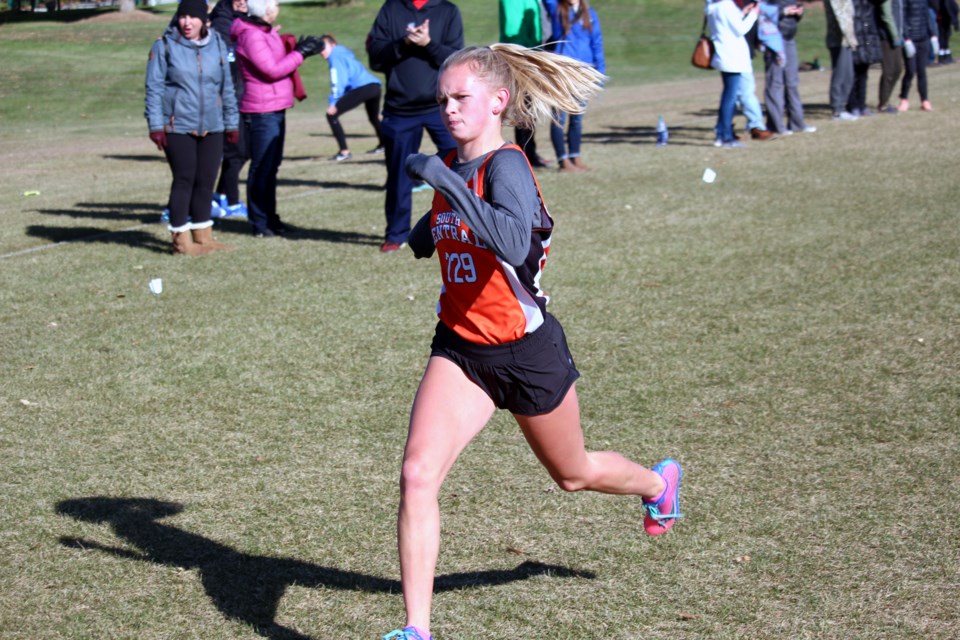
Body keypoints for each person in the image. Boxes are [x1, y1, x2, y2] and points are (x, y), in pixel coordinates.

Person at [381, 44, 683, 640]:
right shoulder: (454, 164)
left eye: (461, 97)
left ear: (497, 101)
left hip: (526, 352)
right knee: (418, 474)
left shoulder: (507, 166)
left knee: (572, 474)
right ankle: (416, 630)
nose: (448, 109)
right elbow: (441, 228)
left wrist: (445, 180)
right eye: (442, 99)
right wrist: (425, 225)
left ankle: (657, 483)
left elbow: (516, 245)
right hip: (461, 349)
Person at [366, 0, 464, 253]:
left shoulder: (447, 10)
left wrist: (428, 44)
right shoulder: (391, 9)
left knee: (462, 165)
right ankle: (396, 234)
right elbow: (376, 58)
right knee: (399, 175)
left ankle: (462, 226)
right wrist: (404, 43)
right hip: (399, 110)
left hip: (440, 107)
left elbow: (456, 59)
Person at [145, 0, 239, 256]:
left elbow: (226, 87)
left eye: (193, 17)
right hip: (178, 126)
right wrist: (156, 126)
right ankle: (180, 240)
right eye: (182, 16)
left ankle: (203, 235)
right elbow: (154, 89)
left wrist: (231, 122)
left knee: (206, 180)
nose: (187, 22)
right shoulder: (164, 46)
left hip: (213, 125)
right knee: (185, 179)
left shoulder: (217, 44)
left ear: (204, 20)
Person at [231, 0, 324, 237]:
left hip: (275, 106)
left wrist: (296, 48)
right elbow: (271, 69)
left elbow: (279, 60)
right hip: (261, 110)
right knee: (261, 167)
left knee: (271, 167)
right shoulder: (251, 35)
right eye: (274, 4)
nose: (277, 8)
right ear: (265, 9)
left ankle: (270, 218)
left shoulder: (266, 31)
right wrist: (300, 53)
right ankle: (260, 222)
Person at [542, 0, 605, 170]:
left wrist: (600, 71)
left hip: (584, 72)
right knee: (559, 119)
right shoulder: (557, 10)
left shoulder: (590, 14)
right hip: (562, 72)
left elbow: (596, 43)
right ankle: (563, 161)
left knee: (577, 118)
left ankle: (575, 156)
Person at [498, 0, 551, 168]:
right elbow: (512, 30)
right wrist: (528, 53)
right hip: (520, 58)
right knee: (523, 109)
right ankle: (524, 155)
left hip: (531, 56)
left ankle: (530, 152)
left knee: (529, 109)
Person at [210, 0, 251, 217]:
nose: (244, 4)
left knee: (242, 152)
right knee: (235, 153)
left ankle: (220, 196)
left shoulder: (243, 22)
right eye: (240, 0)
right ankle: (231, 202)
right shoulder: (221, 24)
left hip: (242, 98)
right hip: (227, 101)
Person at [319, 34, 386, 162]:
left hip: (363, 88)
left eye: (323, 47)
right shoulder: (343, 53)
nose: (321, 51)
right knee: (373, 117)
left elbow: (338, 81)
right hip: (374, 87)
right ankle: (384, 144)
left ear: (333, 45)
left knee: (331, 115)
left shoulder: (335, 56)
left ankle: (344, 152)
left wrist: (333, 102)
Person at [707, 0, 759, 147]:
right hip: (732, 56)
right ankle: (725, 136)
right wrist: (754, 15)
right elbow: (741, 29)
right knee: (730, 98)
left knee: (728, 96)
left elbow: (728, 23)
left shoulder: (714, 5)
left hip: (724, 55)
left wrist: (743, 13)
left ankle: (721, 133)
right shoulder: (726, 5)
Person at [763, 0, 816, 134]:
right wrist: (783, 12)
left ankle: (797, 124)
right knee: (775, 83)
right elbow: (760, 10)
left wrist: (798, 13)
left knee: (792, 82)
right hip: (773, 39)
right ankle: (776, 126)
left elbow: (793, 13)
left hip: (789, 38)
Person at [846, 0, 884, 117]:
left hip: (867, 33)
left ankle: (862, 104)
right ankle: (853, 105)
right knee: (853, 73)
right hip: (854, 33)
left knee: (863, 73)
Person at [825, 0, 860, 120]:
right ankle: (837, 110)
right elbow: (840, 16)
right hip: (839, 40)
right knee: (840, 75)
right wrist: (850, 37)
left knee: (848, 75)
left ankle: (841, 107)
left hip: (846, 41)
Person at [898, 0, 935, 110]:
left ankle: (925, 100)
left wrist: (933, 34)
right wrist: (906, 38)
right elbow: (902, 18)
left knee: (921, 71)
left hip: (923, 39)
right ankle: (904, 99)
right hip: (910, 40)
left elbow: (927, 16)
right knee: (910, 71)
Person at [876, 0, 905, 113]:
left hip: (897, 36)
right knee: (889, 71)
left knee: (898, 69)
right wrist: (895, 35)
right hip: (887, 38)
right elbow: (886, 15)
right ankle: (883, 104)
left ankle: (886, 100)